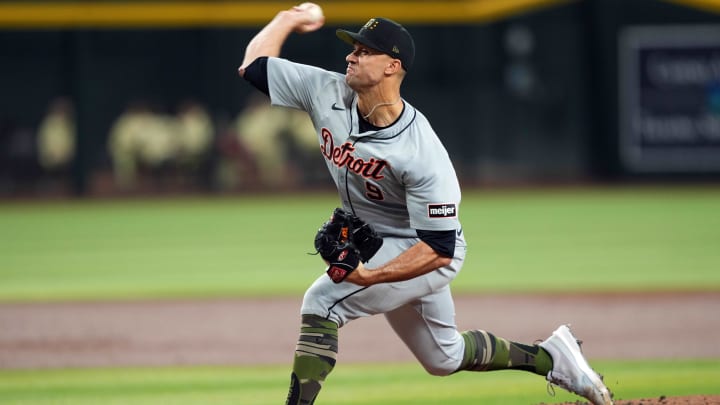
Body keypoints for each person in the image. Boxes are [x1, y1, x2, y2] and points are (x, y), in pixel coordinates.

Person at [237, 5, 613, 405]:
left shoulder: (421, 151)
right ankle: (552, 358)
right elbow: (254, 66)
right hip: (380, 240)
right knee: (443, 356)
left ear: (391, 66)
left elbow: (439, 248)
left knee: (322, 301)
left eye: (364, 51)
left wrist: (369, 278)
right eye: (353, 48)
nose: (351, 56)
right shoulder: (325, 91)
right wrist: (290, 17)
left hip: (428, 249)